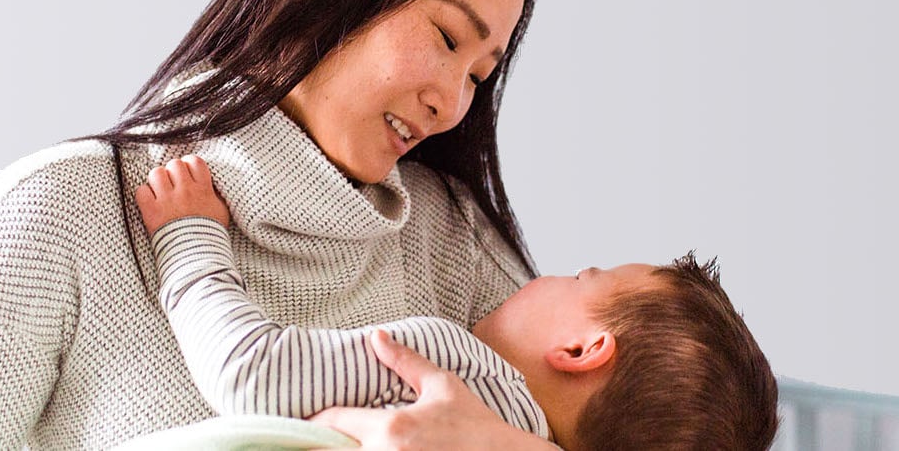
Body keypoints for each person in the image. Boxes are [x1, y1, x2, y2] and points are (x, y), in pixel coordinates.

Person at [0, 0, 557, 449]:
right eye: (444, 38)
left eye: (478, 75)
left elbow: (638, 408)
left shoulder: (451, 240)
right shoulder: (56, 213)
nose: (452, 104)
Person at [133, 155, 780, 451]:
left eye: (581, 277)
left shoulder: (450, 369)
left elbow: (249, 372)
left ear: (581, 350)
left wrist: (187, 237)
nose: (545, 276)